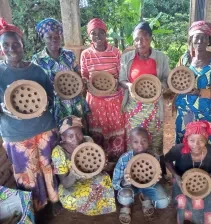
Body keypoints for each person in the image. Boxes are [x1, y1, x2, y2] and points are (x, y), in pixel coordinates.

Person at [0, 18, 58, 211]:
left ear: (22, 44)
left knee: (50, 165)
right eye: (6, 44)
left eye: (15, 43)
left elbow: (50, 97)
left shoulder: (37, 70)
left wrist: (46, 104)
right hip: (16, 133)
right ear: (1, 48)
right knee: (27, 172)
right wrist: (3, 107)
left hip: (44, 127)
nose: (11, 48)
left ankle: (55, 201)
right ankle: (35, 208)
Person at [119, 22, 170, 156]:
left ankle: (156, 168)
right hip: (134, 107)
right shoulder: (126, 58)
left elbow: (166, 79)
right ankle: (133, 168)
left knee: (154, 140)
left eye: (144, 38)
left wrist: (161, 87)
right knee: (135, 140)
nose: (140, 42)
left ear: (150, 38)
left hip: (154, 107)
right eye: (136, 39)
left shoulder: (161, 57)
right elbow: (122, 80)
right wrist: (129, 86)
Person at [175, 21, 211, 145]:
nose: (200, 41)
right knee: (184, 141)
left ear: (209, 40)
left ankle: (202, 165)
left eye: (204, 38)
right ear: (191, 39)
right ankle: (184, 165)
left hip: (206, 111)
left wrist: (201, 92)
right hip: (184, 109)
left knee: (204, 143)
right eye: (197, 37)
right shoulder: (185, 59)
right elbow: (175, 79)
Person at [51, 116, 116, 215]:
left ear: (82, 132)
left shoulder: (87, 140)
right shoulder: (58, 152)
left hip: (91, 177)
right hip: (73, 182)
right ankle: (90, 203)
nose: (76, 139)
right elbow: (66, 183)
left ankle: (93, 203)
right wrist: (74, 174)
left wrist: (102, 165)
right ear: (63, 138)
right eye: (70, 136)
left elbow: (95, 165)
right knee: (69, 199)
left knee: (104, 180)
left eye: (78, 134)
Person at [80, 18, 125, 163]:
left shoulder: (116, 52)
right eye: (93, 33)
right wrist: (88, 84)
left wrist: (114, 84)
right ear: (89, 35)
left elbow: (121, 75)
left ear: (106, 34)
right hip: (95, 102)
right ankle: (100, 165)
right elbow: (84, 76)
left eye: (101, 32)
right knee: (97, 133)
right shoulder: (86, 54)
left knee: (116, 132)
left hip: (114, 101)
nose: (97, 36)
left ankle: (117, 166)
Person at [32, 18, 89, 130]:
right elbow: (37, 85)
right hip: (55, 104)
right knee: (61, 134)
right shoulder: (38, 59)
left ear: (61, 37)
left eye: (57, 36)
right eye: (49, 37)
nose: (54, 39)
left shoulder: (69, 54)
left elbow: (77, 74)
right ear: (43, 38)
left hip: (74, 101)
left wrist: (82, 83)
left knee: (79, 130)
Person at [164, 121, 211, 224]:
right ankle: (185, 217)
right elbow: (167, 160)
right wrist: (176, 176)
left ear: (206, 140)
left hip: (203, 180)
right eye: (192, 140)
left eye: (201, 140)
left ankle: (205, 219)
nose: (196, 145)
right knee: (183, 198)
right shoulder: (179, 150)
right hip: (181, 178)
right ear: (186, 139)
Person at [112, 127, 169, 224]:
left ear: (148, 140)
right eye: (135, 142)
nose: (140, 145)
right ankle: (126, 206)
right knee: (125, 197)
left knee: (163, 202)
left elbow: (155, 179)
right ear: (130, 142)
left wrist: (156, 179)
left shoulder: (154, 157)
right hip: (129, 188)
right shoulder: (124, 159)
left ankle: (144, 196)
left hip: (147, 186)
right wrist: (124, 182)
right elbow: (115, 183)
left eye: (144, 141)